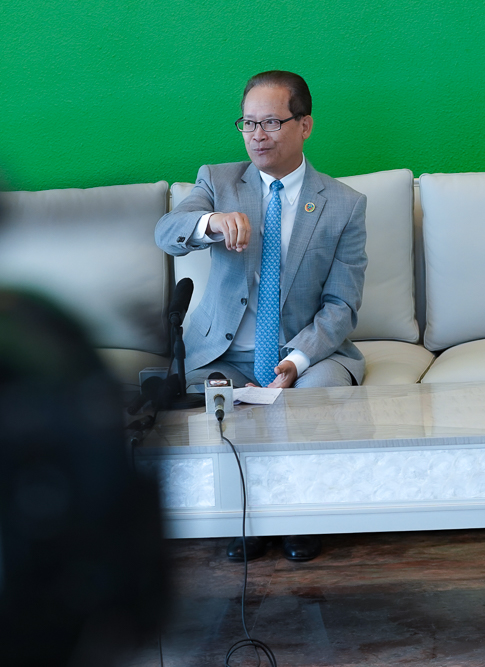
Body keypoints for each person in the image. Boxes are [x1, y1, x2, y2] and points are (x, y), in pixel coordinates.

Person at [155, 71, 367, 563]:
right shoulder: (218, 181)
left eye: (271, 122)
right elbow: (168, 232)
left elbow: (342, 305)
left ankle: (300, 517)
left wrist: (294, 361)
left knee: (316, 396)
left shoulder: (344, 205)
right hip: (226, 353)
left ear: (304, 125)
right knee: (212, 405)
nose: (257, 135)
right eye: (248, 123)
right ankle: (244, 517)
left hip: (306, 353)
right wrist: (210, 222)